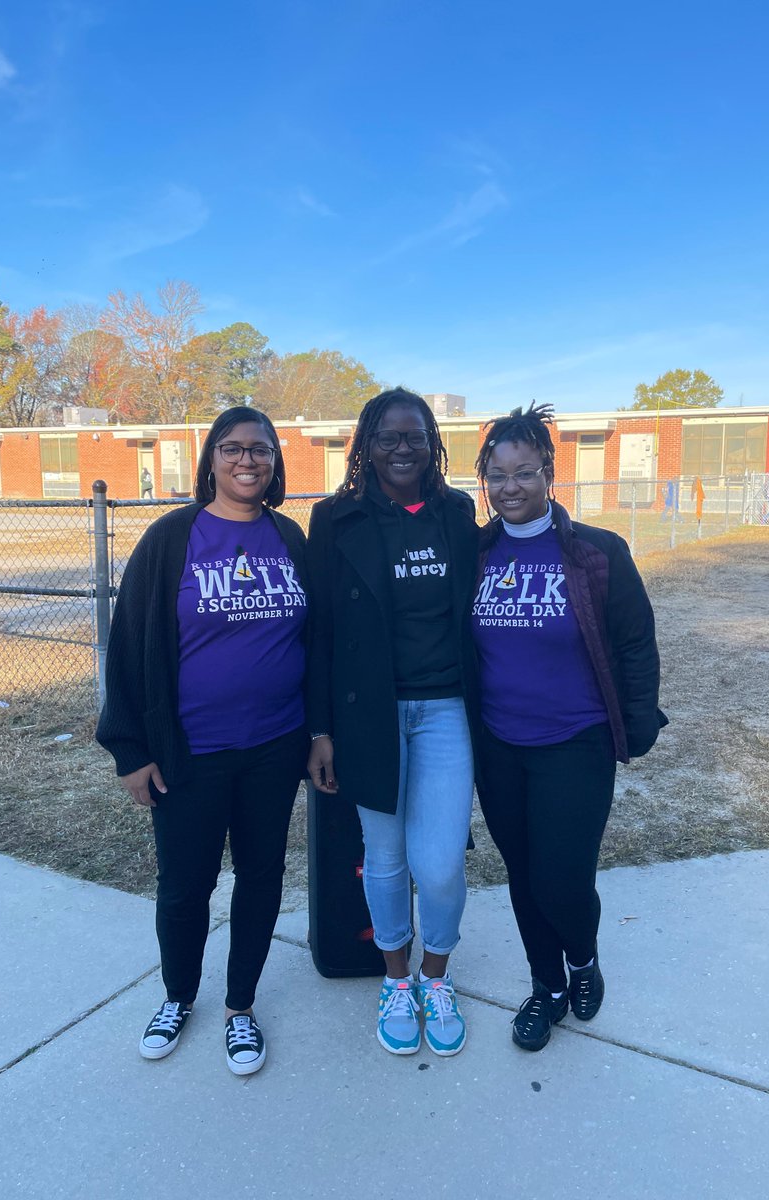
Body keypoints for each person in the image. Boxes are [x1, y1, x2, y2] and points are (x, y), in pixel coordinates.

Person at [96, 406, 309, 1076]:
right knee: (186, 885)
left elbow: (316, 639)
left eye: (261, 449)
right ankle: (178, 996)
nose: (248, 460)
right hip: (191, 752)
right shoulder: (172, 538)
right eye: (233, 448)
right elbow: (129, 645)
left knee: (262, 877)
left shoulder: (289, 537)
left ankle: (240, 1007)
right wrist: (131, 749)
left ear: (275, 461)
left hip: (275, 746)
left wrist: (319, 731)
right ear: (211, 458)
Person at [471, 403, 667, 1052]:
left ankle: (582, 959)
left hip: (575, 744)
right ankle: (546, 986)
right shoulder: (476, 554)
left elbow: (635, 643)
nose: (510, 487)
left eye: (524, 471)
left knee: (562, 879)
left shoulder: (595, 553)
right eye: (498, 475)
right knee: (523, 875)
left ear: (549, 474)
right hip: (498, 745)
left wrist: (638, 721)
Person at [305, 387, 479, 1057]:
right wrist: (320, 729)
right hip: (368, 713)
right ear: (367, 446)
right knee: (383, 856)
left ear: (432, 445)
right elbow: (320, 631)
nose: (402, 449)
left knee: (439, 864)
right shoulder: (335, 518)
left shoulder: (457, 513)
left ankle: (437, 976)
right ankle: (397, 980)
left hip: (445, 711)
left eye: (415, 437)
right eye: (388, 437)